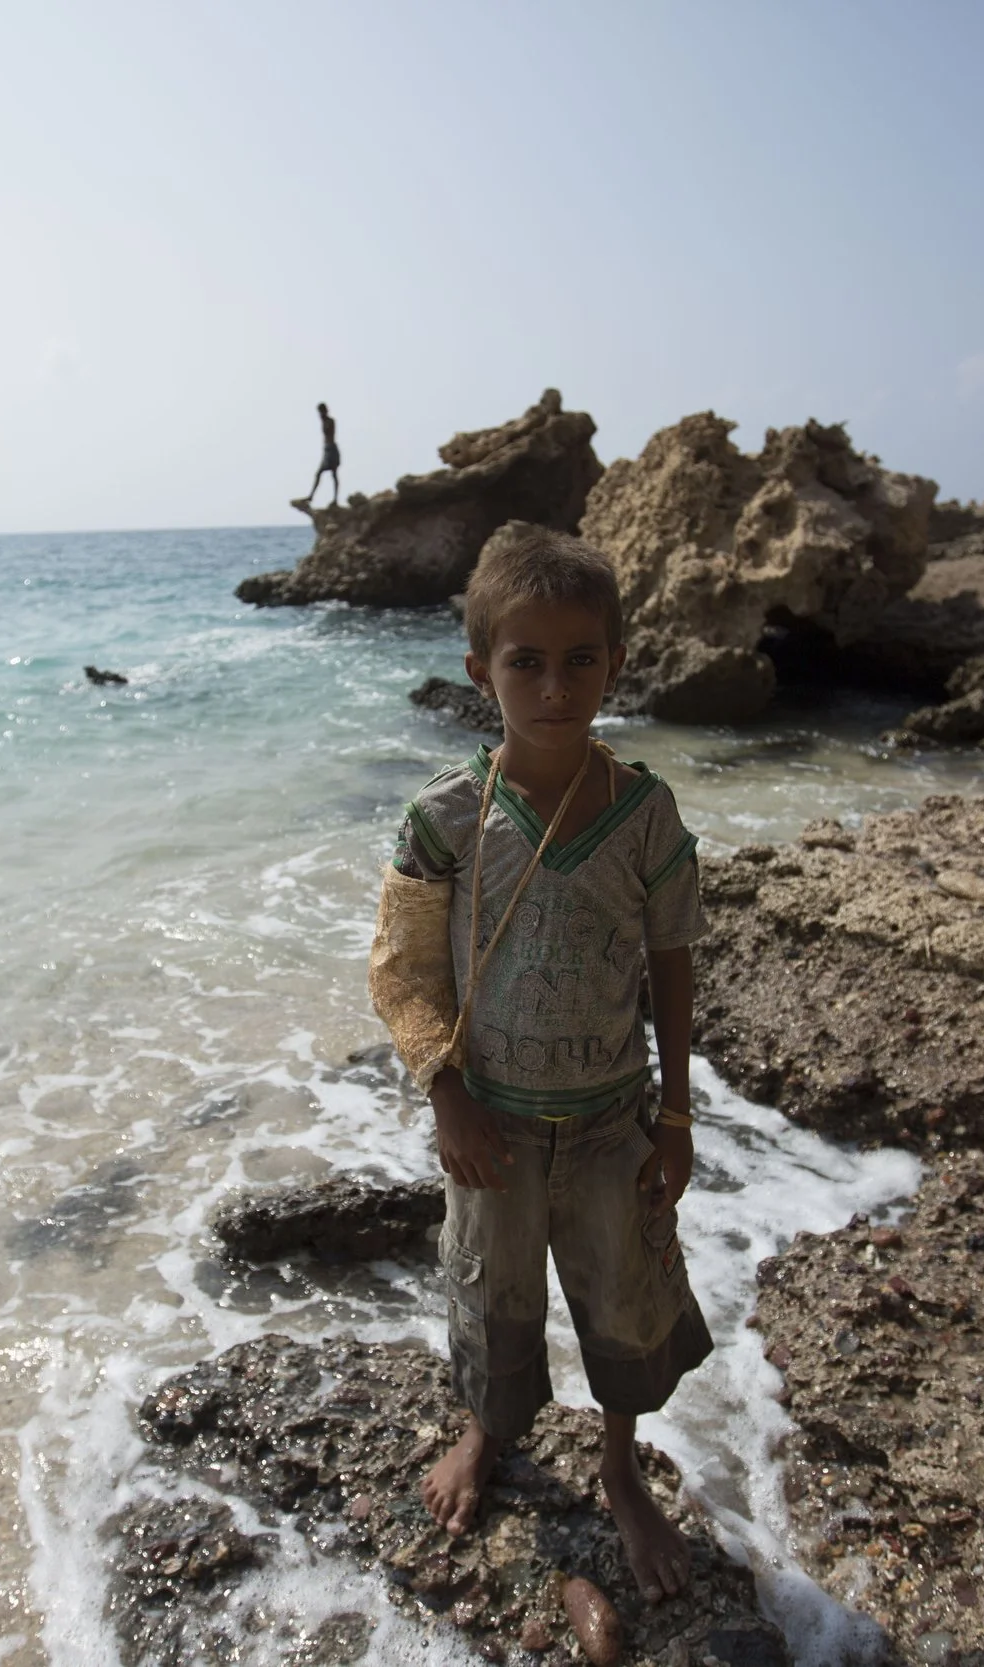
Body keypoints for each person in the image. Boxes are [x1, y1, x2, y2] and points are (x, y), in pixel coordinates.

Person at [367, 527, 711, 1603]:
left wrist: (676, 1117)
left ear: (614, 662)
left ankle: (617, 1470)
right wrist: (446, 1092)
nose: (554, 685)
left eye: (579, 660)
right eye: (526, 661)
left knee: (625, 1301)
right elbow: (402, 968)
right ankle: (486, 1432)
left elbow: (670, 963)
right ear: (482, 671)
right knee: (491, 1299)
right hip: (495, 1132)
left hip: (611, 1119)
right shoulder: (444, 817)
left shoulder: (645, 814)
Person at [307, 402, 341, 506]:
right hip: (326, 450)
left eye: (321, 412)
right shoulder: (324, 421)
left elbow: (328, 431)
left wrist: (323, 420)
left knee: (334, 474)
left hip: (331, 450)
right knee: (318, 474)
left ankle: (335, 499)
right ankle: (311, 496)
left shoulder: (330, 421)